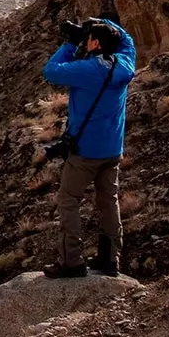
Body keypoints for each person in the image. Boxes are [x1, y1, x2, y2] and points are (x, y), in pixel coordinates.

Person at [42, 18, 136, 278]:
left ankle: (71, 261)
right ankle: (110, 259)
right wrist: (101, 23)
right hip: (112, 148)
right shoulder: (125, 63)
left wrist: (72, 42)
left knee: (68, 201)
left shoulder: (86, 69)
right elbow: (126, 40)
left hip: (84, 151)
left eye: (89, 38)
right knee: (109, 201)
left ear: (94, 43)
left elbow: (51, 71)